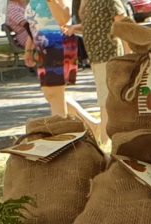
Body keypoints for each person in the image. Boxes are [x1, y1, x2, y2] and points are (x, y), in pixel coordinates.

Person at [35, 0, 103, 140]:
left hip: (57, 43)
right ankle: (92, 125)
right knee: (51, 95)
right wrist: (30, 47)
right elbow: (35, 21)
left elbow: (64, 18)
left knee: (55, 95)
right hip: (43, 44)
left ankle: (63, 138)